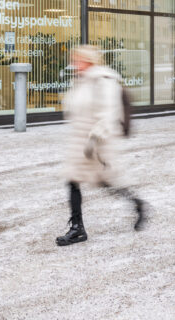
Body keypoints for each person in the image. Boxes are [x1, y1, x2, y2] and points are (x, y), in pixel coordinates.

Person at [56, 45, 146, 247]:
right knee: (73, 180)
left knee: (107, 181)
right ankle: (77, 228)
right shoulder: (81, 81)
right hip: (81, 141)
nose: (73, 63)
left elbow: (109, 113)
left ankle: (137, 204)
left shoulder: (103, 80)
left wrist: (95, 139)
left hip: (98, 143)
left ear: (88, 60)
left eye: (77, 59)